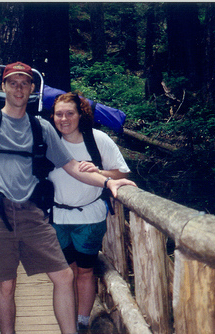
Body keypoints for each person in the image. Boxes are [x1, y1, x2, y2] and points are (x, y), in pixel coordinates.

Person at [0, 62, 136, 334]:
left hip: (32, 214)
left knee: (64, 275)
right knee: (6, 284)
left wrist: (109, 182)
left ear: (32, 89)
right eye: (12, 82)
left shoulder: (41, 128)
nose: (18, 87)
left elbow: (73, 167)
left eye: (24, 82)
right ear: (3, 86)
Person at [48, 92, 131, 333]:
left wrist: (100, 172)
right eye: (59, 114)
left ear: (80, 114)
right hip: (57, 218)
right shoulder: (49, 142)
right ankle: (69, 323)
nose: (64, 119)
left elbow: (122, 173)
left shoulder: (98, 140)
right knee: (66, 273)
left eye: (69, 113)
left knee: (84, 271)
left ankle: (81, 323)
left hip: (90, 217)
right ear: (52, 117)